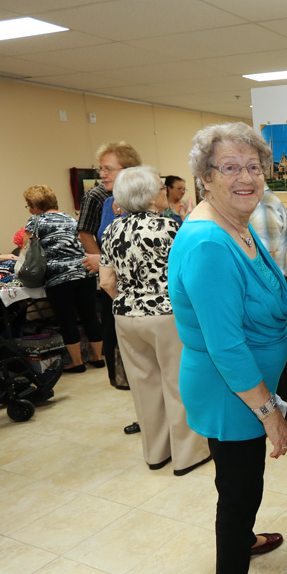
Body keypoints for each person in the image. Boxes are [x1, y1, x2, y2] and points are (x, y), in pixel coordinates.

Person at [169, 122, 287, 574]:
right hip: (230, 390)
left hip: (242, 386)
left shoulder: (236, 224)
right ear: (204, 177)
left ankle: (244, 539)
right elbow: (227, 347)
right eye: (230, 168)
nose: (246, 177)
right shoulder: (208, 243)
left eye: (253, 166)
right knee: (239, 488)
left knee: (246, 478)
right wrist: (272, 413)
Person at [100, 166, 211, 475]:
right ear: (149, 195)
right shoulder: (170, 228)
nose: (165, 193)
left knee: (143, 387)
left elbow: (107, 282)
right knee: (179, 384)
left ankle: (156, 454)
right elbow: (190, 276)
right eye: (161, 189)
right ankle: (188, 455)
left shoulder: (111, 230)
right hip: (167, 316)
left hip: (125, 316)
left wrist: (133, 303)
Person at [80, 142, 138, 413]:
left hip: (141, 297)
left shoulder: (143, 202)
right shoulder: (107, 203)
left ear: (128, 170)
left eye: (108, 169)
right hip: (114, 293)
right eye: (100, 169)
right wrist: (103, 261)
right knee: (119, 353)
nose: (102, 174)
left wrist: (104, 261)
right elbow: (103, 242)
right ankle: (144, 414)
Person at [22, 185, 104, 372]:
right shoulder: (71, 218)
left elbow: (26, 250)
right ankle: (98, 357)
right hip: (85, 271)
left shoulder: (35, 221)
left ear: (35, 205)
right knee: (89, 315)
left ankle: (77, 362)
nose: (29, 209)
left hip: (58, 276)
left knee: (66, 319)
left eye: (28, 206)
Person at [249, 184, 287, 422]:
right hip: (272, 285)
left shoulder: (261, 206)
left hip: (268, 286)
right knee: (271, 349)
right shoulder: (264, 202)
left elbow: (263, 258)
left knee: (269, 350)